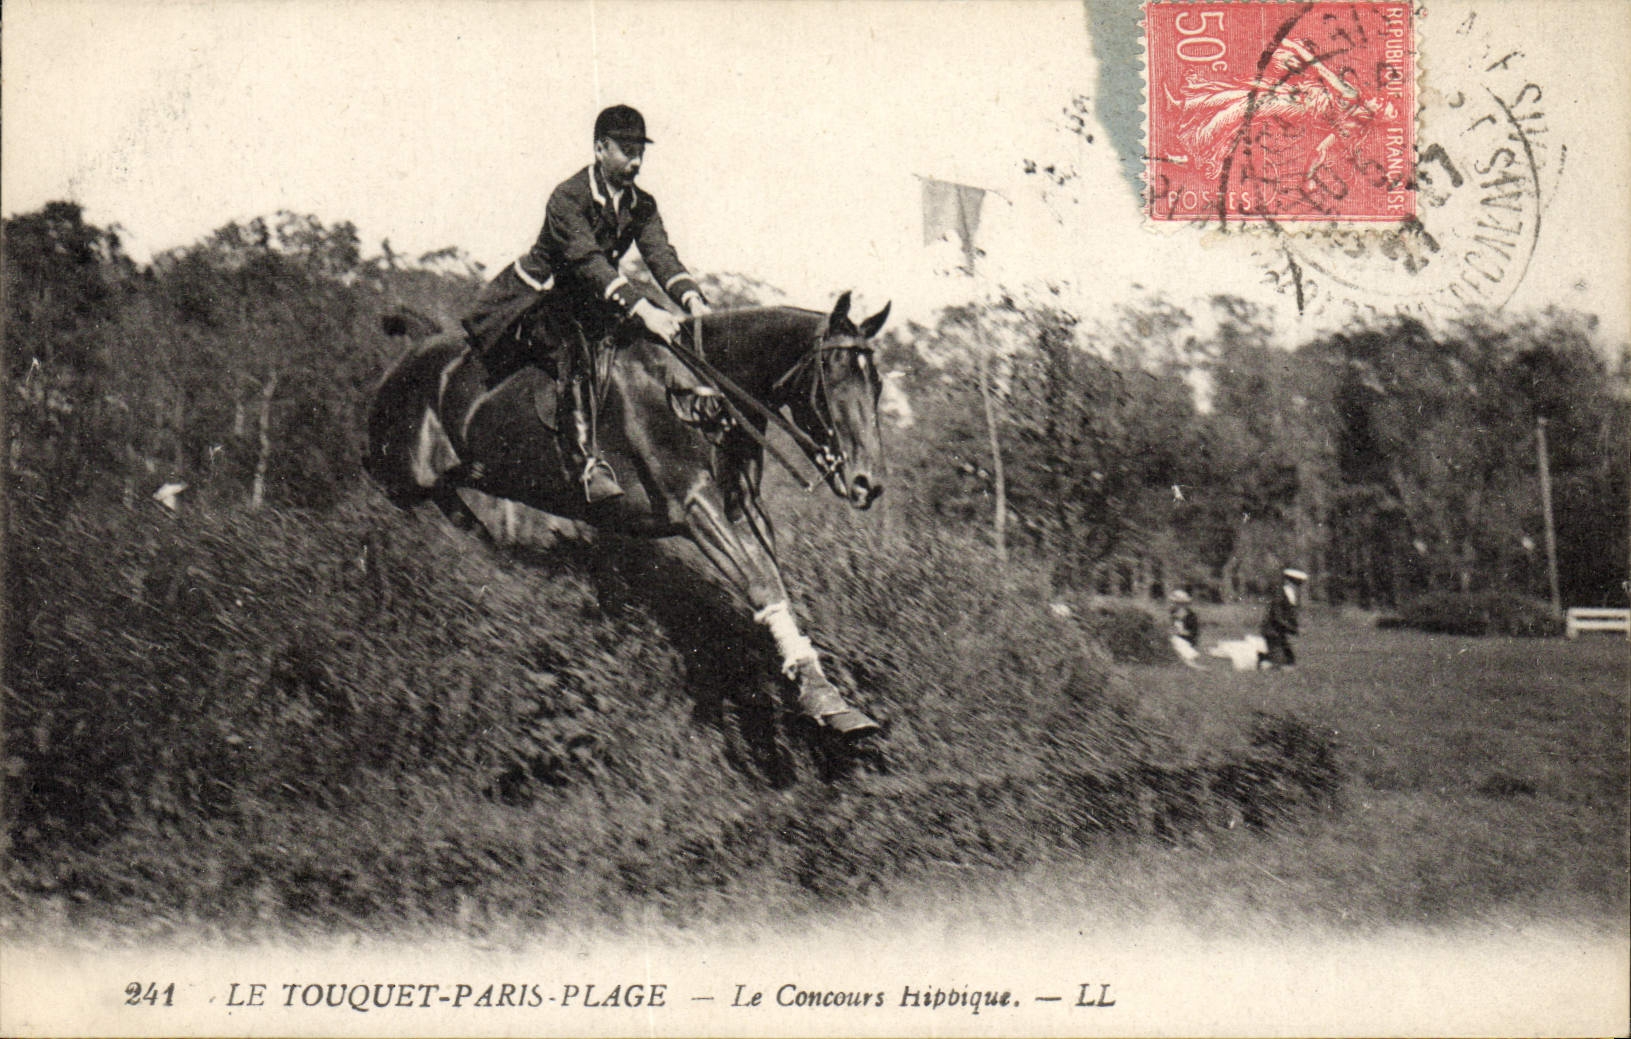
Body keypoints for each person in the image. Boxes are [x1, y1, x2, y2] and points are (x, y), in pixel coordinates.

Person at [462, 104, 711, 503]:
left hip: (593, 296)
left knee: (659, 339)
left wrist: (694, 301)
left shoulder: (641, 204)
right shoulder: (567, 197)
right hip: (536, 297)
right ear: (600, 148)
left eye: (640, 151)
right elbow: (587, 261)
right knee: (575, 352)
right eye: (626, 150)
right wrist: (643, 309)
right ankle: (584, 467)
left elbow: (661, 255)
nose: (635, 160)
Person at [1259, 567, 1308, 669]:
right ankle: (1260, 659)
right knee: (1279, 664)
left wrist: (1295, 627)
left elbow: (1289, 615)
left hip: (1279, 632)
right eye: (1297, 583)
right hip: (1272, 632)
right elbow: (1278, 617)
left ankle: (1266, 659)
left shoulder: (1290, 594)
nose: (1299, 586)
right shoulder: (1280, 594)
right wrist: (1294, 629)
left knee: (1290, 662)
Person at [1168, 588, 1204, 668]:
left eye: (1176, 603)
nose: (1173, 604)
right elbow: (1172, 626)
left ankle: (1190, 661)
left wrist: (1179, 632)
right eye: (1173, 602)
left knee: (1175, 641)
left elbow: (1193, 633)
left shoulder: (1191, 616)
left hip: (1187, 639)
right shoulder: (1173, 613)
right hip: (1176, 636)